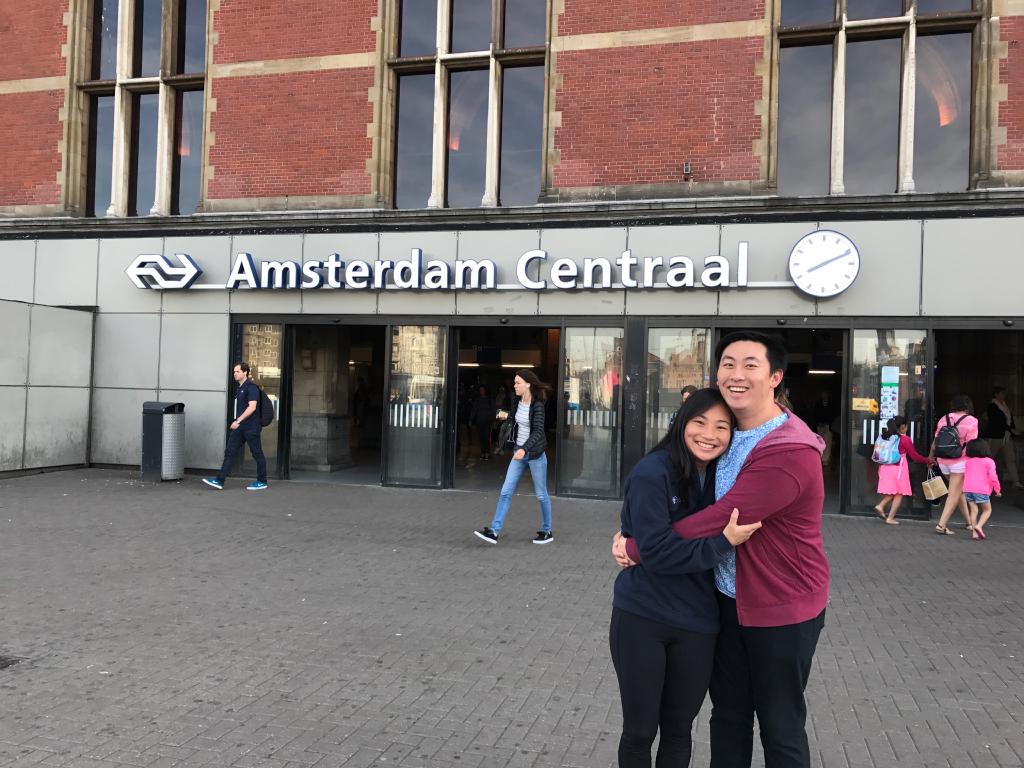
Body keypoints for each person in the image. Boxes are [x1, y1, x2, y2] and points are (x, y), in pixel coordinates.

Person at [614, 330, 829, 768]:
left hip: (780, 606)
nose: (737, 374)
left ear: (775, 377)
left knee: (779, 725)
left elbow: (724, 516)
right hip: (727, 602)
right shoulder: (727, 433)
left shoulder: (788, 450)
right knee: (728, 716)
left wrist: (640, 547)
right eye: (728, 363)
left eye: (751, 365)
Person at [612, 389, 762, 768]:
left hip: (698, 624)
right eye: (699, 422)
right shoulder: (653, 472)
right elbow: (658, 552)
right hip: (642, 618)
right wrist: (722, 543)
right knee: (640, 731)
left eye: (722, 426)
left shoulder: (722, 478)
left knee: (679, 730)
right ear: (681, 422)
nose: (709, 434)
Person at [474, 370, 553, 544]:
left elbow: (538, 431)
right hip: (519, 452)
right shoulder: (517, 400)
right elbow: (516, 419)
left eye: (518, 383)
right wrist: (504, 416)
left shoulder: (537, 405)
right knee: (506, 491)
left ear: (528, 384)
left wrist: (524, 449)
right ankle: (494, 531)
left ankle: (547, 531)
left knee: (541, 495)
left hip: (534, 454)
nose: (514, 386)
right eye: (515, 383)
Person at [203, 362, 268, 491]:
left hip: (251, 427)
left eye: (237, 371)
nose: (235, 374)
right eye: (234, 372)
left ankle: (262, 481)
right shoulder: (240, 389)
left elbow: (252, 407)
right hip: (241, 427)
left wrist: (237, 421)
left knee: (257, 453)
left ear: (245, 372)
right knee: (230, 452)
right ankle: (219, 480)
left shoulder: (251, 388)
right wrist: (238, 422)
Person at [930, 394, 978, 535]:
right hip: (960, 462)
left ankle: (969, 522)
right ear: (968, 406)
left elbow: (936, 441)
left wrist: (931, 457)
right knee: (953, 493)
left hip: (943, 461)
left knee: (958, 492)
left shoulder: (944, 419)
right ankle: (941, 525)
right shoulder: (972, 421)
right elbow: (971, 445)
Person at [873, 416, 933, 525]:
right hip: (898, 468)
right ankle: (890, 517)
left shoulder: (884, 436)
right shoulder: (905, 439)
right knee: (899, 492)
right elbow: (915, 457)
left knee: (894, 491)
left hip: (885, 467)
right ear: (903, 427)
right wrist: (928, 460)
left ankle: (880, 506)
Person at [963, 438, 1001, 540]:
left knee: (974, 510)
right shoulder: (989, 461)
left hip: (967, 489)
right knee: (987, 510)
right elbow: (993, 477)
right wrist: (997, 489)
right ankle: (979, 526)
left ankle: (974, 534)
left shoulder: (968, 462)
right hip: (981, 490)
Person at [984, 386, 1021, 488]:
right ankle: (984, 480)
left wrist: (1012, 430)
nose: (1004, 395)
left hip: (1006, 436)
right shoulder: (992, 406)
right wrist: (1010, 429)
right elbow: (996, 421)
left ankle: (1015, 481)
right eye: (1002, 393)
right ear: (996, 394)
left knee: (1010, 458)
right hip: (995, 436)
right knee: (989, 458)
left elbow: (1009, 419)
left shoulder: (1005, 405)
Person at [468, 384, 495, 460]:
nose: (481, 392)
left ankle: (487, 452)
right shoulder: (477, 400)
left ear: (485, 391)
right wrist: (471, 419)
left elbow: (493, 411)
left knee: (486, 437)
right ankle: (483, 452)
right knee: (481, 437)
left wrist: (493, 421)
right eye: (480, 390)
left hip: (488, 422)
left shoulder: (490, 400)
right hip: (479, 421)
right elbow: (474, 410)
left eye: (483, 390)